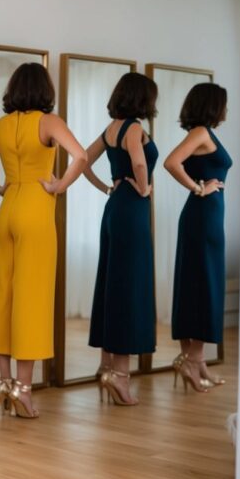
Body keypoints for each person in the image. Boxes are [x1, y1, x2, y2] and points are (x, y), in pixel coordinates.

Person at [0, 63, 87, 419]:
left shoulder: (3, 125)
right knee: (32, 298)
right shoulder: (49, 122)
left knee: (3, 294)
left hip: (8, 208)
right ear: (44, 90)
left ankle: (4, 383)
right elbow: (79, 156)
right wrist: (58, 186)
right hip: (37, 208)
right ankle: (23, 389)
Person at [82, 73, 160, 406]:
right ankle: (121, 377)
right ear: (143, 99)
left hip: (115, 207)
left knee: (112, 283)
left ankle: (105, 366)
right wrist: (143, 188)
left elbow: (83, 160)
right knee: (130, 287)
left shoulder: (110, 129)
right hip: (132, 209)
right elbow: (140, 163)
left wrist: (107, 187)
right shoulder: (134, 129)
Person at [163, 82, 233, 393]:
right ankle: (191, 360)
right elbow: (171, 162)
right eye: (223, 104)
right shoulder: (201, 132)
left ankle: (196, 360)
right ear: (213, 105)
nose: (226, 110)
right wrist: (199, 187)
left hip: (205, 215)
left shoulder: (204, 133)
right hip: (202, 215)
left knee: (198, 281)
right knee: (202, 283)